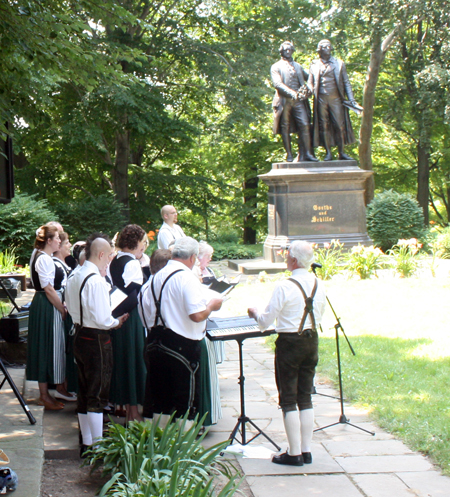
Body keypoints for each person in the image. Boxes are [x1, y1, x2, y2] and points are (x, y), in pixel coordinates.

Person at [248, 241, 326, 466]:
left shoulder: (285, 286)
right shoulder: (320, 284)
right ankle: (306, 450)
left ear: (293, 260)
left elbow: (265, 322)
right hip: (312, 341)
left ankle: (293, 453)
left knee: (289, 399)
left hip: (290, 343)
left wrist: (254, 312)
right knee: (305, 396)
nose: (285, 259)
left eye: (287, 256)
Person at [138, 237, 223, 426]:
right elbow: (197, 315)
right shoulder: (186, 277)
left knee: (160, 400)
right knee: (185, 402)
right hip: (182, 346)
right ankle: (182, 449)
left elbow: (144, 315)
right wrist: (212, 305)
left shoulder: (154, 278)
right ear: (193, 258)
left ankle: (160, 447)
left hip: (153, 342)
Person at [65, 234, 128, 457]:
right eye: (110, 255)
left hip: (79, 334)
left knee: (84, 390)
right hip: (97, 339)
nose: (110, 259)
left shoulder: (75, 275)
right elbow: (103, 319)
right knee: (97, 392)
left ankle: (87, 442)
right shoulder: (96, 281)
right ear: (101, 255)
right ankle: (99, 447)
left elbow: (69, 306)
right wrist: (117, 321)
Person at [27, 225, 71, 410]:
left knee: (45, 346)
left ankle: (46, 394)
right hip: (47, 305)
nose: (60, 241)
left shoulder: (43, 257)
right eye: (56, 238)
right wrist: (61, 308)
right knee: (46, 346)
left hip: (45, 303)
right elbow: (48, 288)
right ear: (48, 241)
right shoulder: (43, 259)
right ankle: (44, 395)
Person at [108, 224, 147, 422]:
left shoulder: (113, 260)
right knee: (132, 362)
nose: (144, 246)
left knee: (122, 362)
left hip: (117, 318)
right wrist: (122, 314)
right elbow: (134, 296)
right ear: (135, 242)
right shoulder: (132, 264)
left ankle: (122, 407)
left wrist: (114, 314)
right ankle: (133, 412)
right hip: (129, 320)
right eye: (142, 241)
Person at [307, 39, 358, 161]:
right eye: (325, 47)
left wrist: (351, 99)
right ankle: (328, 152)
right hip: (321, 99)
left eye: (329, 46)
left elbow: (346, 82)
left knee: (339, 126)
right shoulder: (314, 65)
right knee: (323, 126)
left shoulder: (339, 63)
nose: (328, 49)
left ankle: (341, 152)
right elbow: (310, 83)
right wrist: (306, 91)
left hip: (336, 99)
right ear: (320, 50)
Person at [271, 41, 318, 163]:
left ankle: (307, 153)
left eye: (290, 49)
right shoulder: (276, 67)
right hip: (284, 101)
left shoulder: (298, 66)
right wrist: (293, 93)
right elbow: (277, 84)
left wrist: (315, 69)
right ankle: (289, 154)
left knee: (305, 124)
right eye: (285, 50)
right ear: (281, 51)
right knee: (285, 127)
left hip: (299, 101)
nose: (288, 51)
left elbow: (309, 78)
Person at [52, 232, 78, 396]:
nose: (69, 245)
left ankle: (66, 384)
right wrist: (63, 308)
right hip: (61, 310)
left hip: (67, 308)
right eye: (67, 243)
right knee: (60, 347)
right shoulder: (56, 265)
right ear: (59, 246)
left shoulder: (64, 264)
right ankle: (60, 385)